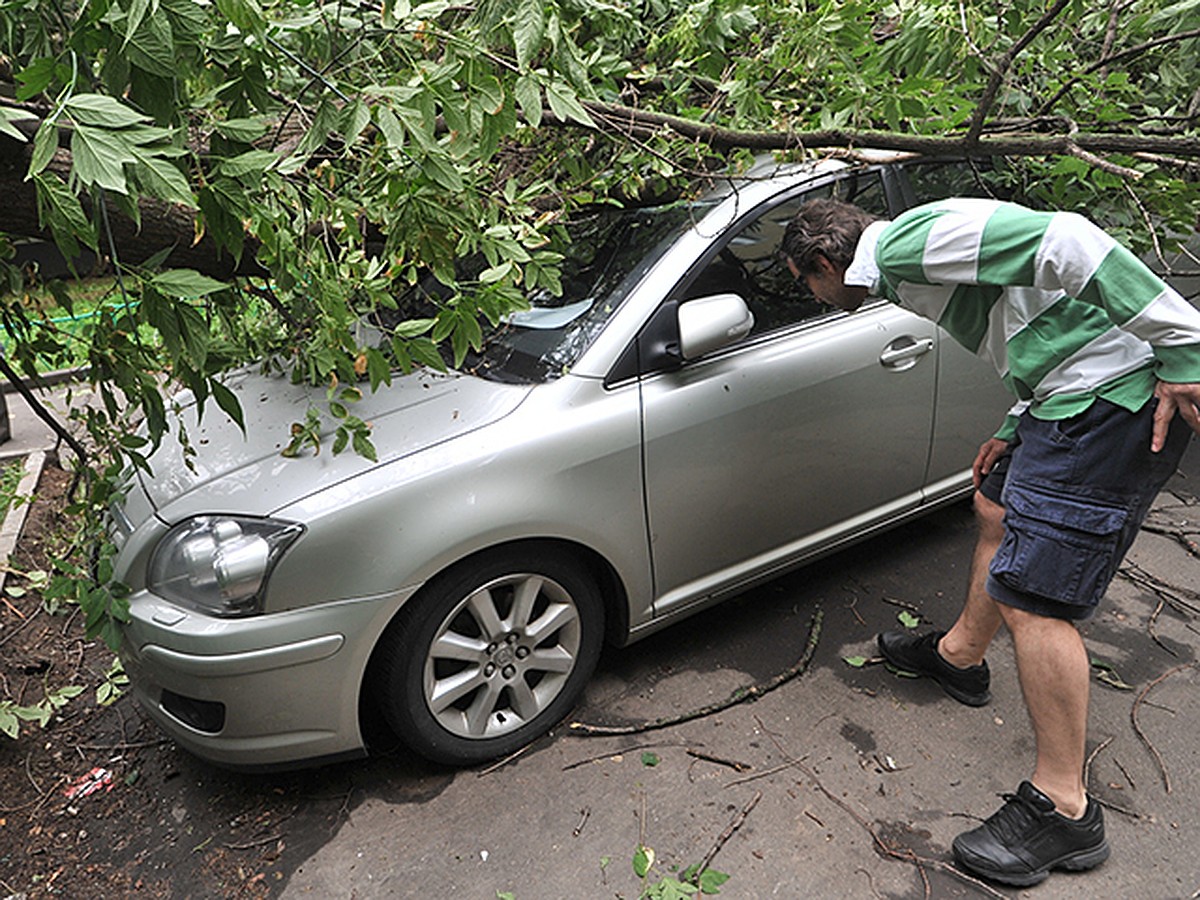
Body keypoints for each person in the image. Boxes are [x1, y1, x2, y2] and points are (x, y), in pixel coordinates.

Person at [780, 196, 1200, 887]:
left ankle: (1064, 809)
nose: (818, 297)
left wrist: (1184, 343)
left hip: (1102, 407)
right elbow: (1035, 311)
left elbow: (1068, 238)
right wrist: (1017, 418)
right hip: (1063, 397)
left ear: (824, 262)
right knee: (993, 505)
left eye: (809, 283)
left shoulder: (900, 247)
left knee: (1035, 601)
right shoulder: (904, 261)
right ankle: (959, 656)